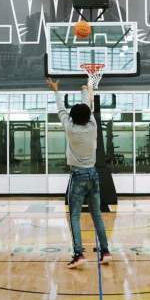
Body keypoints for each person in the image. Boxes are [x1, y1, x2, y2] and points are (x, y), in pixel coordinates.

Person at [46, 78, 112, 269]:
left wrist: (56, 90)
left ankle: (78, 254)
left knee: (74, 216)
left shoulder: (70, 128)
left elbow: (61, 110)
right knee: (97, 215)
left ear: (72, 117)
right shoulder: (93, 126)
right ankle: (105, 251)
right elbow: (87, 107)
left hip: (78, 176)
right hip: (93, 175)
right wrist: (86, 90)